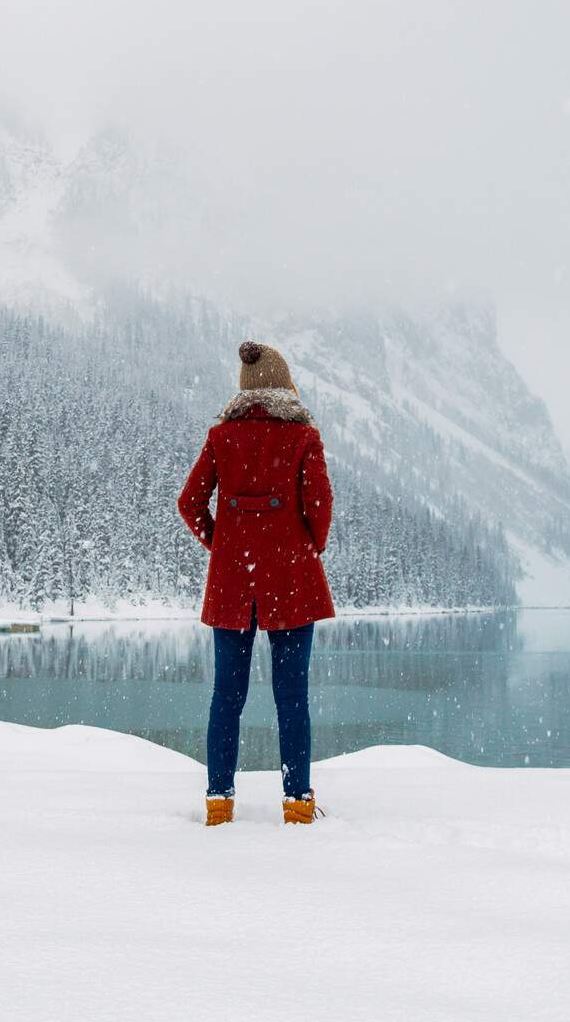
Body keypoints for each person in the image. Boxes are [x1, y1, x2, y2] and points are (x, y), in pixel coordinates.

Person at [177, 340, 335, 826]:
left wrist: (223, 547)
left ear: (245, 390)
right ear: (284, 386)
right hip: (291, 583)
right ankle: (296, 804)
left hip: (232, 587)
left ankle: (219, 802)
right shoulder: (302, 437)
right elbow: (320, 509)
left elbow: (189, 504)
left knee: (227, 696)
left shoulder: (221, 437)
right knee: (292, 697)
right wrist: (303, 550)